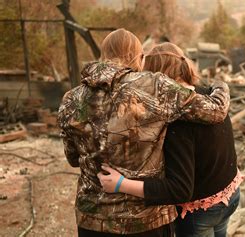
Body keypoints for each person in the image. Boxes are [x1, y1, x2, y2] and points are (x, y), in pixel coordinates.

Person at [57, 29, 230, 237]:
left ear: (102, 56)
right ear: (138, 58)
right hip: (147, 222)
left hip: (92, 220)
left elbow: (73, 158)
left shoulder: (70, 99)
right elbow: (216, 111)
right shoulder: (154, 86)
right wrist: (220, 85)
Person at [97, 42, 242, 237]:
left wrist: (121, 184)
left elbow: (179, 189)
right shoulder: (208, 97)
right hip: (231, 195)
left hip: (200, 211)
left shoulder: (177, 122)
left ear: (156, 77)